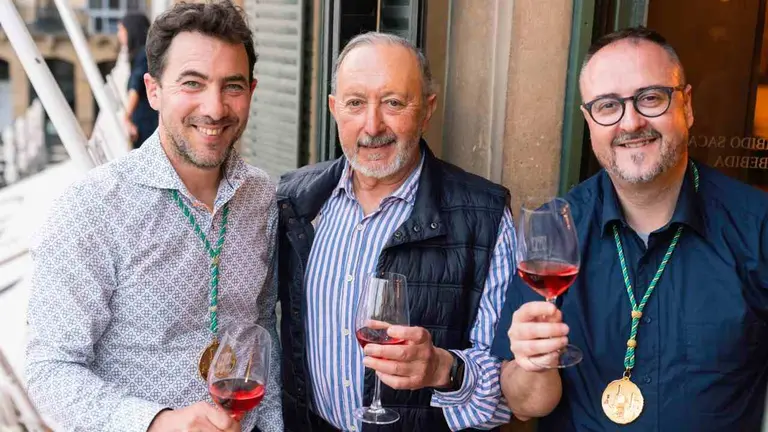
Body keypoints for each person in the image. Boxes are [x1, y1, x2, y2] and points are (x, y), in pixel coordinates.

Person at [491, 27, 768, 431]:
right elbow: (526, 404)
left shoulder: (756, 225)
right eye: (607, 106)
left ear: (687, 106)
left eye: (650, 98)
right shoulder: (553, 230)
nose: (631, 122)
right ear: (589, 121)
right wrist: (532, 364)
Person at [25, 2, 282, 431]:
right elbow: (49, 369)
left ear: (251, 91)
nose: (215, 108)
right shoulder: (90, 208)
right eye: (192, 83)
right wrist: (156, 422)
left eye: (231, 86)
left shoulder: (264, 198)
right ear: (153, 90)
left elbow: (263, 332)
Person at [276, 32, 516, 432]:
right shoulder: (294, 201)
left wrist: (445, 368)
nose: (373, 125)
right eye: (355, 103)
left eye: (393, 102)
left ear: (427, 110)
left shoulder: (485, 216)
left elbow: (509, 393)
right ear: (335, 109)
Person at [117, 13, 157, 149]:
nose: (119, 35)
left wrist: (126, 117)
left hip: (146, 124)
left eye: (121, 30)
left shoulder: (143, 56)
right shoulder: (146, 54)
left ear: (131, 30)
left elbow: (136, 85)